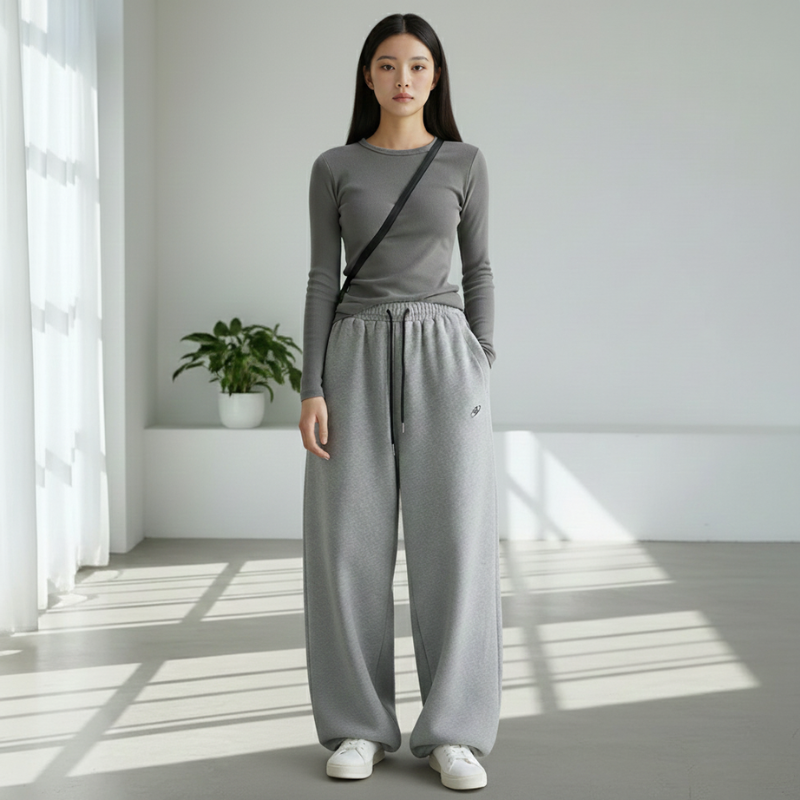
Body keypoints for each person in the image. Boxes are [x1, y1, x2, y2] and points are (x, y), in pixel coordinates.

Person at [298, 12, 502, 792]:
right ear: (368, 77)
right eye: (388, 65)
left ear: (436, 77)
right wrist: (311, 385)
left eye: (418, 66)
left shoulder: (466, 161)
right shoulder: (333, 166)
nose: (403, 79)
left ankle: (455, 731)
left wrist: (481, 359)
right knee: (347, 546)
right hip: (352, 353)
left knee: (455, 543)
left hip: (446, 357)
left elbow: (480, 268)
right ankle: (357, 726)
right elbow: (322, 276)